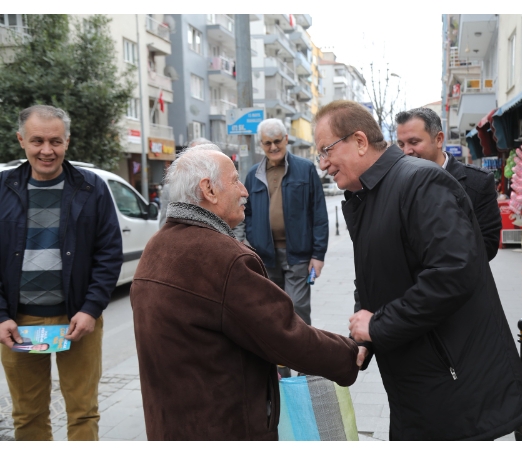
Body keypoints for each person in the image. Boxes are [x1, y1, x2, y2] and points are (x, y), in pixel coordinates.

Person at [314, 100, 522, 440]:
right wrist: (364, 339)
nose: (323, 164)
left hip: (453, 380)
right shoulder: (368, 195)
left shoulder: (420, 182)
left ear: (359, 141)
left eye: (326, 150)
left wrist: (378, 324)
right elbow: (378, 280)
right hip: (420, 376)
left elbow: (454, 272)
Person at [130, 145, 360, 440]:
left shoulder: (157, 245)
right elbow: (285, 335)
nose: (245, 191)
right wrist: (350, 355)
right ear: (208, 190)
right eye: (236, 180)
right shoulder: (223, 257)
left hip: (171, 424)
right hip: (223, 425)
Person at [0, 105, 123, 440]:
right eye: (37, 140)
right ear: (21, 140)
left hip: (77, 320)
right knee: (27, 416)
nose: (46, 150)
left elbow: (109, 252)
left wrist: (91, 309)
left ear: (67, 141)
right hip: (18, 322)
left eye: (55, 141)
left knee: (83, 413)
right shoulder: (2, 187)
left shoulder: (91, 187)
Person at [244, 118, 328, 326]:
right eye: (267, 143)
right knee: (271, 309)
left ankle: (302, 356)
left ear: (286, 139)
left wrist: (318, 254)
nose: (273, 147)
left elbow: (318, 213)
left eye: (277, 141)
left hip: (298, 254)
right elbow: (247, 213)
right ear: (261, 145)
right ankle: (277, 356)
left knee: (297, 307)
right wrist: (252, 242)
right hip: (265, 255)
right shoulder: (253, 175)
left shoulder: (306, 169)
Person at [396, 107, 502, 260]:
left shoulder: (478, 182)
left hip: (459, 281)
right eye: (401, 144)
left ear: (439, 139)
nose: (406, 151)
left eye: (414, 142)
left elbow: (487, 247)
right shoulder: (395, 183)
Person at [158, 137, 220, 226]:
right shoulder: (171, 188)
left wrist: (234, 239)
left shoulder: (223, 185)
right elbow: (165, 224)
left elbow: (236, 218)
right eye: (193, 155)